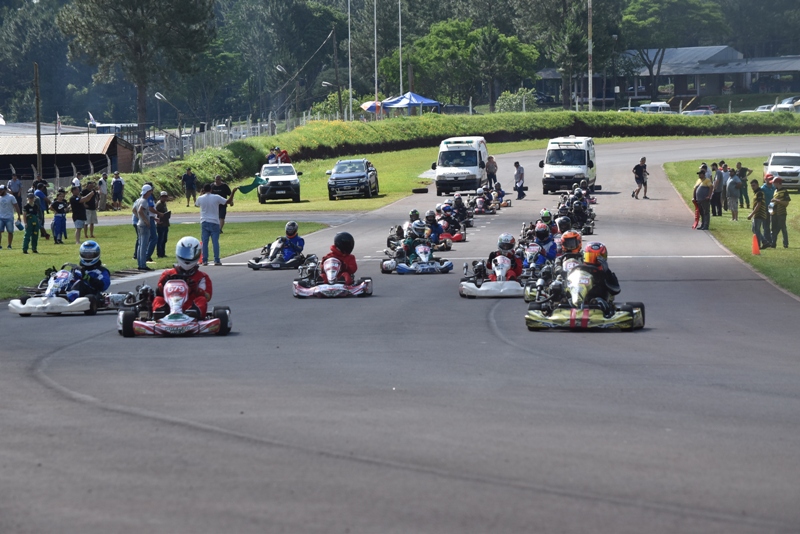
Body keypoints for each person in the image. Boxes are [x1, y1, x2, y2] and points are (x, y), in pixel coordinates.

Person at [152, 237, 212, 318]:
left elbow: (207, 297)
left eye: (191, 254)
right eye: (184, 253)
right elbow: (159, 293)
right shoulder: (168, 274)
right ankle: (161, 315)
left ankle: (191, 316)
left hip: (189, 307)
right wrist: (162, 286)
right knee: (158, 299)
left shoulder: (202, 277)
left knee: (202, 300)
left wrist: (196, 289)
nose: (187, 257)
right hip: (169, 307)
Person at [196, 183, 238, 266]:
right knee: (215, 242)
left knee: (204, 242)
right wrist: (233, 192)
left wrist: (201, 194)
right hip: (214, 221)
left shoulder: (200, 198)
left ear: (203, 190)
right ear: (211, 189)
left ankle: (204, 260)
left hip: (204, 221)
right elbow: (228, 201)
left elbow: (196, 204)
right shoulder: (216, 197)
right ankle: (216, 260)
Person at [580, 242, 621, 317]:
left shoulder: (607, 273)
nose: (593, 261)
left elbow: (616, 289)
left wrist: (606, 273)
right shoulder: (579, 270)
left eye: (597, 258)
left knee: (597, 302)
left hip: (598, 302)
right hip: (579, 299)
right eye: (591, 257)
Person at [133, 185, 154, 271]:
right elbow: (139, 210)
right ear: (147, 192)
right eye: (150, 191)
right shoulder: (144, 201)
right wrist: (145, 220)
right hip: (144, 225)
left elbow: (134, 210)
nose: (151, 193)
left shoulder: (138, 200)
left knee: (140, 244)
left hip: (139, 223)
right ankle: (142, 265)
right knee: (143, 245)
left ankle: (140, 263)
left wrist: (139, 218)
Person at [769, 177, 791, 249]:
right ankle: (773, 243)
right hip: (774, 213)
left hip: (781, 213)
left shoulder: (784, 191)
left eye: (774, 182)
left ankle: (785, 244)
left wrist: (777, 201)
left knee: (783, 228)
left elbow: (786, 203)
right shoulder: (775, 190)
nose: (773, 184)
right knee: (773, 229)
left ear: (778, 183)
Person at [747, 179, 768, 249]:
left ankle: (758, 245)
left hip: (759, 213)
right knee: (754, 229)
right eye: (752, 186)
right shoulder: (756, 192)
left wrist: (751, 214)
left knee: (756, 230)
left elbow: (759, 204)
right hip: (757, 213)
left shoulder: (759, 193)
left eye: (754, 185)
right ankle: (765, 241)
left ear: (757, 185)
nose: (753, 187)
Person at [0, 184, 22, 250]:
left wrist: (19, 216)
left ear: (5, 190)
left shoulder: (11, 197)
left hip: (9, 217)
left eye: (1, 190)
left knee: (10, 231)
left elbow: (16, 206)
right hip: (0, 217)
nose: (0, 191)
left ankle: (9, 245)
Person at [155, 191, 171, 258]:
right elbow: (155, 213)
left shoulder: (164, 203)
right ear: (160, 197)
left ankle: (163, 253)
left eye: (165, 197)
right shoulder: (159, 204)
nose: (164, 198)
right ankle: (159, 253)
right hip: (161, 224)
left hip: (165, 223)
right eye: (163, 197)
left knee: (164, 239)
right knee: (160, 239)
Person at [761, 175, 776, 247]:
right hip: (765, 208)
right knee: (766, 225)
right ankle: (767, 241)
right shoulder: (763, 188)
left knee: (772, 224)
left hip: (772, 207)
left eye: (771, 179)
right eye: (769, 179)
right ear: (765, 179)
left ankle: (770, 240)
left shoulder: (774, 187)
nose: (771, 181)